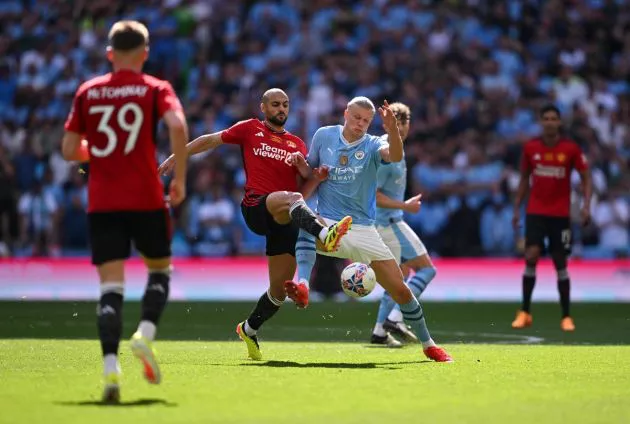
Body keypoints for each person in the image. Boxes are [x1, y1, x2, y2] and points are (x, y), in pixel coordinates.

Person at [158, 88, 352, 361]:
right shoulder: (250, 129)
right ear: (263, 107)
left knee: (278, 290)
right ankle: (324, 234)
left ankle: (249, 329)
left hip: (285, 215)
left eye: (285, 104)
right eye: (275, 104)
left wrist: (311, 173)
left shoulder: (297, 144)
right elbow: (210, 140)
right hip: (258, 207)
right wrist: (178, 156)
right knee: (293, 199)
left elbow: (303, 189)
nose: (281, 109)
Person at [61, 20, 189, 403]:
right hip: (147, 197)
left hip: (103, 201)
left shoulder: (89, 91)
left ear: (109, 54)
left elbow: (70, 150)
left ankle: (110, 373)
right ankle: (144, 334)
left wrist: (97, 151)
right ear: (146, 53)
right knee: (159, 270)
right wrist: (179, 178)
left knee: (110, 289)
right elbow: (178, 126)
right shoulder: (155, 88)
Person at [302, 96, 452, 362]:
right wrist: (298, 163)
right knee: (299, 220)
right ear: (345, 113)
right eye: (357, 117)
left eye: (366, 121)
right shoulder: (324, 135)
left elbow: (393, 154)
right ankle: (301, 282)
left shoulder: (373, 144)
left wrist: (392, 130)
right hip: (329, 221)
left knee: (402, 291)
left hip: (363, 229)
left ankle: (428, 344)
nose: (360, 124)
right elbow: (308, 169)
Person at [511, 105, 592, 332]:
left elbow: (586, 177)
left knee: (560, 263)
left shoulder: (570, 149)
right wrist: (517, 209)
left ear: (559, 123)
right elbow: (524, 179)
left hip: (560, 215)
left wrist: (586, 206)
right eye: (545, 118)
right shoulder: (531, 148)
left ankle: (566, 316)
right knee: (531, 256)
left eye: (553, 118)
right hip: (536, 211)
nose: (549, 122)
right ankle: (525, 312)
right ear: (541, 121)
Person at [370, 102, 436, 347]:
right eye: (395, 122)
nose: (400, 127)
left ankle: (379, 331)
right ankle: (396, 317)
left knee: (400, 275)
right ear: (387, 124)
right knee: (427, 269)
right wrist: (405, 206)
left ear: (409, 124)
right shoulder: (386, 153)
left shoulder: (394, 148)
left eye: (403, 122)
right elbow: (373, 195)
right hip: (387, 222)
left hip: (386, 222)